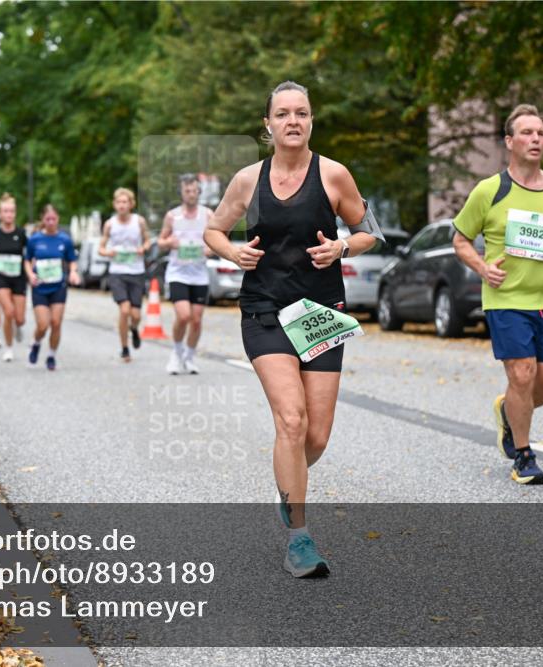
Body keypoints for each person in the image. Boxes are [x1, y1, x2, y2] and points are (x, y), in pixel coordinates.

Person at [204, 81, 382, 577]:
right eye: (282, 114)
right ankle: (299, 538)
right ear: (267, 124)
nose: (292, 121)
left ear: (311, 120)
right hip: (264, 311)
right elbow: (213, 230)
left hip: (320, 311)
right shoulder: (247, 180)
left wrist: (342, 248)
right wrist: (232, 251)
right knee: (292, 420)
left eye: (301, 113)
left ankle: (288, 480)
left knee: (317, 436)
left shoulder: (333, 174)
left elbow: (371, 230)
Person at [452, 104, 543, 486]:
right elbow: (460, 240)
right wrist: (482, 267)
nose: (536, 139)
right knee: (522, 374)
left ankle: (508, 411)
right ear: (509, 141)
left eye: (541, 133)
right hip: (507, 299)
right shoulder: (490, 191)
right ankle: (523, 456)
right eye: (527, 133)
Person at [159, 175, 214, 374]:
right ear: (181, 193)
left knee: (197, 320)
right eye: (186, 191)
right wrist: (169, 243)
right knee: (183, 316)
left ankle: (189, 357)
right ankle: (176, 352)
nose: (190, 194)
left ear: (199, 192)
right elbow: (161, 241)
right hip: (178, 273)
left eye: (194, 190)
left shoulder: (207, 215)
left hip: (199, 274)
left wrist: (211, 248)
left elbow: (217, 238)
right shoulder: (173, 216)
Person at [24, 204, 81, 370]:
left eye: (53, 219)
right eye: (47, 219)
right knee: (43, 324)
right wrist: (30, 274)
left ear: (58, 219)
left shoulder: (64, 240)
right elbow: (27, 260)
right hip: (40, 286)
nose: (50, 222)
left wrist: (73, 272)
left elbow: (72, 259)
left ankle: (51, 355)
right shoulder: (35, 239)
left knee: (56, 322)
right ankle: (36, 342)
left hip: (58, 286)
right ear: (43, 220)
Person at [99, 187, 151, 362]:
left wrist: (142, 248)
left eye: (125, 202)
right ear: (115, 205)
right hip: (117, 273)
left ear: (131, 204)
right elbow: (101, 248)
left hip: (136, 272)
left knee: (135, 315)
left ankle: (134, 330)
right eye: (119, 202)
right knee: (124, 310)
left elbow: (148, 241)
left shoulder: (139, 221)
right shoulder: (110, 224)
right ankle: (124, 348)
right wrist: (108, 253)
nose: (122, 205)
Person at [0, 193, 29, 360]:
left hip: (18, 277)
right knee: (8, 312)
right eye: (5, 211)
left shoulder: (22, 233)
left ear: (15, 213)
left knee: (19, 318)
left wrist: (31, 270)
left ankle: (18, 326)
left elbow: (29, 254)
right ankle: (9, 348)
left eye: (11, 211)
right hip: (1, 276)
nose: (8, 214)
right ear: (0, 214)